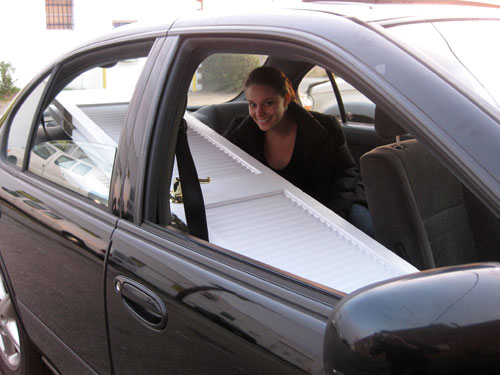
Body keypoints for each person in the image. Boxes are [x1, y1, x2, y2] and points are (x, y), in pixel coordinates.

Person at [224, 66, 372, 235]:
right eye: (252, 104)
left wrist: (332, 216)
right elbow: (219, 172)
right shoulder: (239, 134)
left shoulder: (325, 128)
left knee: (365, 227)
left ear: (286, 99)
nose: (259, 113)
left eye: (268, 103)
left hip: (321, 210)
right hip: (266, 218)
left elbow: (346, 173)